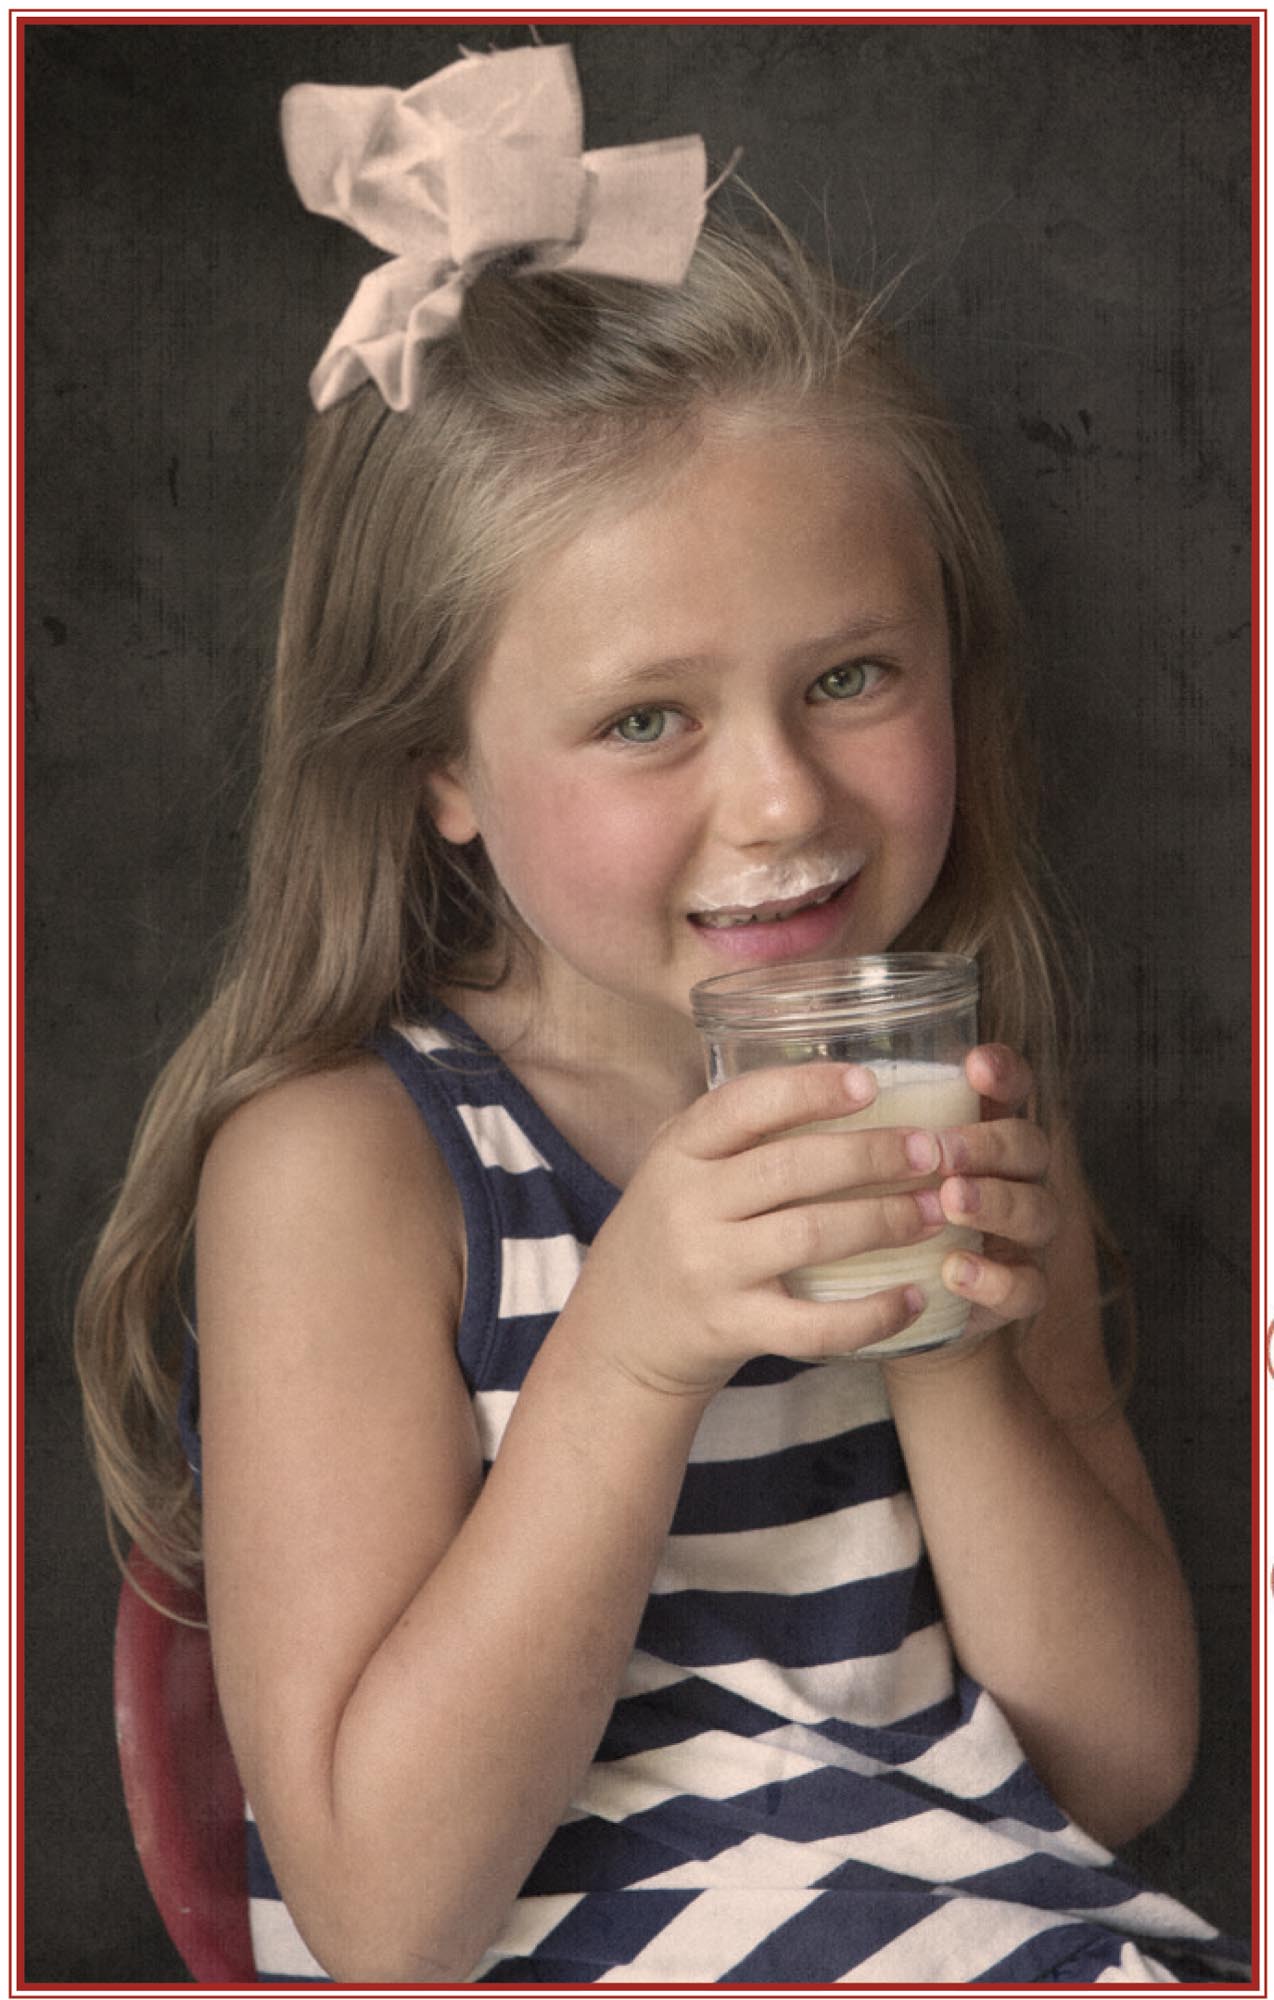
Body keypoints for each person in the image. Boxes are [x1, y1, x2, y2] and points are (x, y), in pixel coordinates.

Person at [75, 42, 1246, 1987]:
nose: (781, 798)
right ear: (436, 765)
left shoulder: (955, 1086)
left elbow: (1107, 1768)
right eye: (646, 719)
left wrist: (945, 1327)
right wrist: (625, 1353)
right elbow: (381, 1920)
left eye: (853, 674)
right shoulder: (347, 1168)